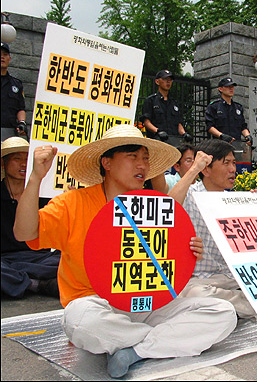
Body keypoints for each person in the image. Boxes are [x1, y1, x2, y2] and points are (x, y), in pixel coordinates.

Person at [13, 124, 237, 378]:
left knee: (223, 313)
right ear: (106, 163)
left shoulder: (151, 204)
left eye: (145, 159)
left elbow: (168, 249)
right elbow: (25, 233)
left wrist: (186, 249)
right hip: (95, 304)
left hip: (148, 302)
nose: (142, 165)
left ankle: (133, 351)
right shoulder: (73, 202)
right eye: (133, 157)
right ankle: (160, 341)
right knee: (79, 321)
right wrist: (35, 178)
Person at [168, 139, 257, 319]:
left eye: (234, 163)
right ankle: (248, 306)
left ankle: (240, 306)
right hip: (201, 280)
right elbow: (167, 208)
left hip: (232, 278)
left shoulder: (234, 200)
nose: (233, 169)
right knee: (196, 294)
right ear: (206, 169)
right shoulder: (191, 195)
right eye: (226, 163)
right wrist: (194, 168)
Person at [1, 137, 60, 298]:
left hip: (40, 259)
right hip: (5, 260)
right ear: (3, 163)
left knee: (68, 259)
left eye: (27, 159)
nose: (23, 163)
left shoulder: (43, 195)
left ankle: (17, 280)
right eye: (17, 158)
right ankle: (36, 285)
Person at [140, 69, 192, 146]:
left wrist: (184, 134)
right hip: (157, 140)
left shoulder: (174, 103)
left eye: (170, 80)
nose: (168, 82)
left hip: (174, 141)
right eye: (165, 79)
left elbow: (179, 123)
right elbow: (146, 122)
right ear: (157, 81)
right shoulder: (151, 100)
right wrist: (157, 131)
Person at [205, 77, 252, 146]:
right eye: (228, 87)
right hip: (220, 144)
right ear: (220, 89)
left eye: (232, 86)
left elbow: (243, 126)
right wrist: (221, 135)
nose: (231, 89)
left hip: (236, 144)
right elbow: (210, 126)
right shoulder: (214, 106)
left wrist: (247, 136)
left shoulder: (238, 107)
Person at [1, 42, 27, 142]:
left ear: (9, 59)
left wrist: (22, 123)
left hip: (9, 135)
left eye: (5, 54)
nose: (2, 57)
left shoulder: (16, 84)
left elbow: (21, 108)